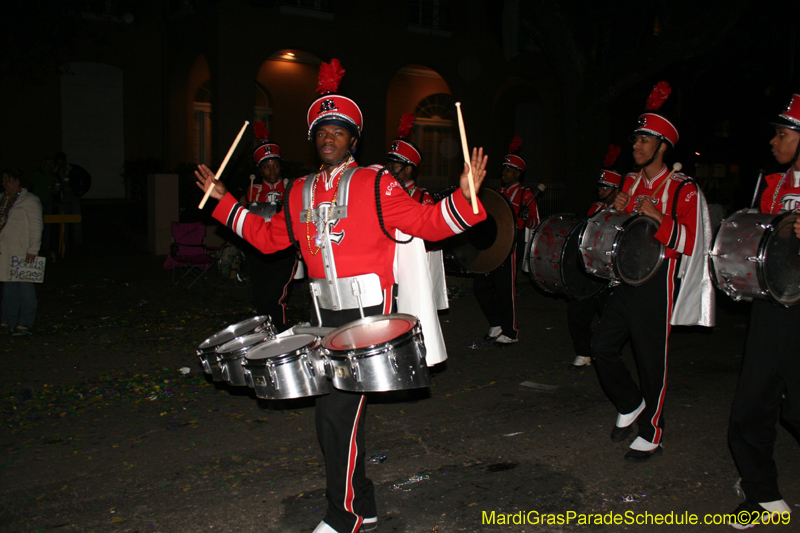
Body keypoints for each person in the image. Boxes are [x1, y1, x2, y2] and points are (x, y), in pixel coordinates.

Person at [195, 59, 488, 533]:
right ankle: (363, 504)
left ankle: (345, 514)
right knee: (333, 419)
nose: (328, 137)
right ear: (314, 140)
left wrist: (467, 198)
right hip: (321, 314)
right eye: (321, 130)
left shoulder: (377, 183)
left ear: (354, 139)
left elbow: (426, 224)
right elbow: (269, 238)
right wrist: (225, 201)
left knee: (335, 416)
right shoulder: (297, 190)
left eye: (338, 129)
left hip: (367, 314)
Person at [591, 82, 714, 462]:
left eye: (644, 141)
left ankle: (653, 432)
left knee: (650, 360)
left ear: (663, 146)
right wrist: (616, 208)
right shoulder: (628, 181)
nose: (636, 146)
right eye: (635, 140)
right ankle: (631, 403)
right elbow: (610, 228)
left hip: (658, 283)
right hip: (625, 279)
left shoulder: (683, 189)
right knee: (601, 346)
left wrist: (659, 217)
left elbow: (691, 242)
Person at [727, 93, 800, 529]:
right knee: (751, 405)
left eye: (783, 134)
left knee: (796, 409)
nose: (773, 141)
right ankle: (765, 497)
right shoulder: (770, 185)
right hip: (771, 307)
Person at [475, 136, 539, 346]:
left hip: (509, 249)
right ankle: (496, 323)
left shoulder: (525, 194)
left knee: (505, 290)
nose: (504, 172)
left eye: (509, 169)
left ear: (518, 173)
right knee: (481, 285)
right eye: (504, 169)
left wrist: (524, 216)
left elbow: (534, 222)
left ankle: (511, 331)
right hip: (491, 247)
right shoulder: (498, 193)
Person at [238, 122, 299, 332]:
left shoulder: (293, 188)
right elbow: (241, 219)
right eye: (266, 166)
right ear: (259, 169)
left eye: (275, 165)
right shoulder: (252, 191)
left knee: (277, 294)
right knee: (261, 294)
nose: (272, 171)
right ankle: (264, 332)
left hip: (284, 251)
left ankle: (279, 333)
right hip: (257, 252)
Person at [568, 146, 621, 368]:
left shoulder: (624, 211)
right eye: (600, 185)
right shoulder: (595, 207)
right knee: (577, 312)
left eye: (606, 186)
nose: (601, 190)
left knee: (611, 318)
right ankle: (584, 351)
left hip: (611, 273)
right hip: (592, 271)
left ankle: (608, 353)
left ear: (616, 189)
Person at [0, 168, 43, 336]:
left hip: (24, 252)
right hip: (6, 252)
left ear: (18, 181)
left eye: (8, 179)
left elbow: (36, 226)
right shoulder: (2, 200)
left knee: (25, 288)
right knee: (9, 289)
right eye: (3, 179)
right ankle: (7, 320)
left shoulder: (30, 200)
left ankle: (25, 322)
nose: (5, 183)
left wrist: (33, 249)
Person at [386, 113, 435, 205]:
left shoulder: (421, 199)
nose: (389, 170)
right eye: (388, 165)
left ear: (408, 169)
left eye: (394, 167)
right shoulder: (386, 192)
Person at [53, 151, 90, 247]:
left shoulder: (73, 169)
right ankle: (64, 244)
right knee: (63, 221)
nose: (60, 164)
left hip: (74, 196)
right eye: (58, 162)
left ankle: (78, 244)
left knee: (76, 220)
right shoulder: (54, 171)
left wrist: (82, 190)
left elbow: (86, 177)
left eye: (61, 162)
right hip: (62, 197)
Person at [28, 157, 57, 254]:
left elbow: (52, 189)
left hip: (48, 201)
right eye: (46, 164)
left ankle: (46, 246)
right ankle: (36, 246)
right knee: (37, 225)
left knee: (47, 225)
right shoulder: (38, 174)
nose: (48, 166)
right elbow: (36, 186)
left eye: (50, 164)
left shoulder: (53, 176)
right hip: (38, 201)